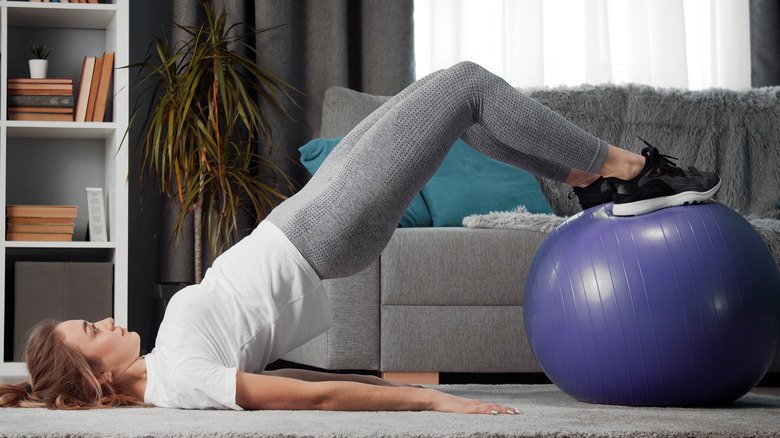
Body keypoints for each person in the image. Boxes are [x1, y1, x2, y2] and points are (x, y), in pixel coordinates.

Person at [1, 61, 719, 412]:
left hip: (308, 216)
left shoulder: (165, 364)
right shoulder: (182, 381)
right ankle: (631, 171)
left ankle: (597, 184)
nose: (107, 320)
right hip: (322, 233)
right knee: (466, 83)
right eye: (90, 328)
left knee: (458, 103)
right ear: (94, 374)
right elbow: (307, 398)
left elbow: (293, 379)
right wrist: (428, 401)